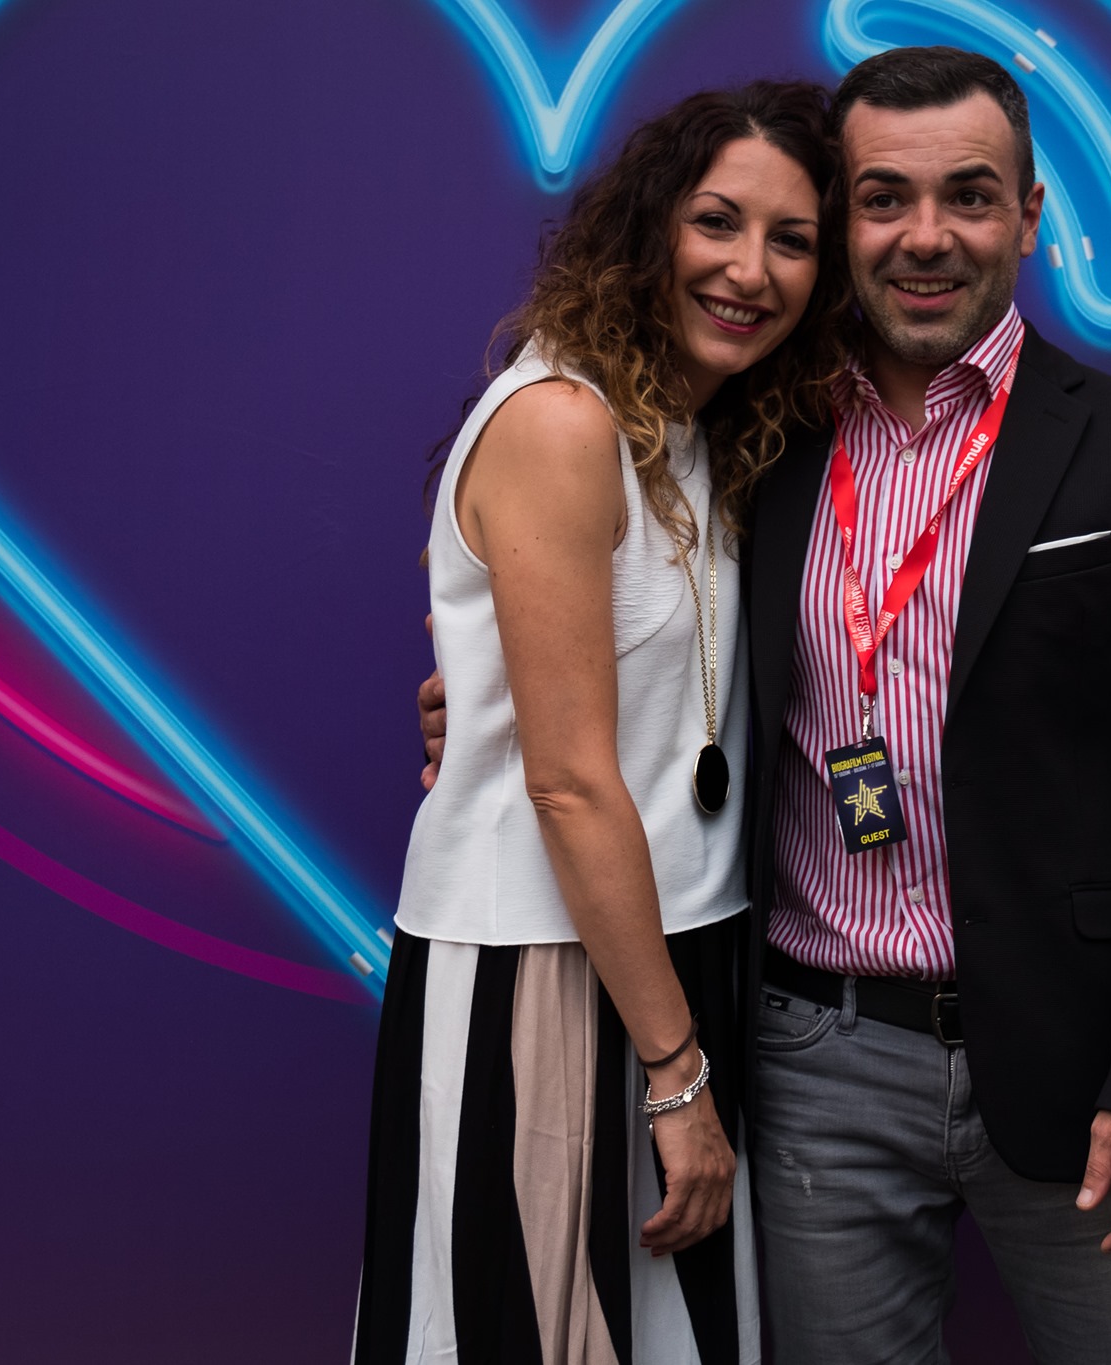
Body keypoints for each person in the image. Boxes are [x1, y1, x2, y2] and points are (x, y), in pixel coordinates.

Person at [423, 45, 1111, 1365]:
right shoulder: (755, 438)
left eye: (969, 196)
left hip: (1078, 1055)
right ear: (845, 226)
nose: (925, 237)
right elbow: (636, 632)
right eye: (882, 199)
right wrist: (483, 702)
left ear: (1031, 217)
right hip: (814, 1053)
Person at [361, 81, 847, 1365]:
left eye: (792, 240)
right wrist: (676, 1078)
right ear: (647, 227)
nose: (749, 270)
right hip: (546, 965)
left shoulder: (706, 430)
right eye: (716, 221)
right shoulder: (562, 421)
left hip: (681, 950)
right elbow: (569, 784)